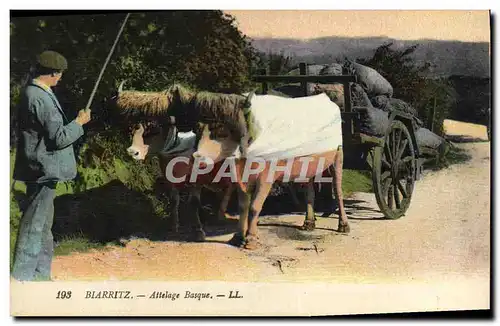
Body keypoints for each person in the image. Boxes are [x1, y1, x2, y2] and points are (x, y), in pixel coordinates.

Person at [11, 50, 91, 281]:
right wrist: (79, 123)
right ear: (52, 73)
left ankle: (40, 274)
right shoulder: (41, 98)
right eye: (60, 74)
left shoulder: (31, 92)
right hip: (43, 170)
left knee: (44, 226)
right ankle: (21, 277)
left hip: (37, 168)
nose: (61, 78)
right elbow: (59, 138)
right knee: (34, 225)